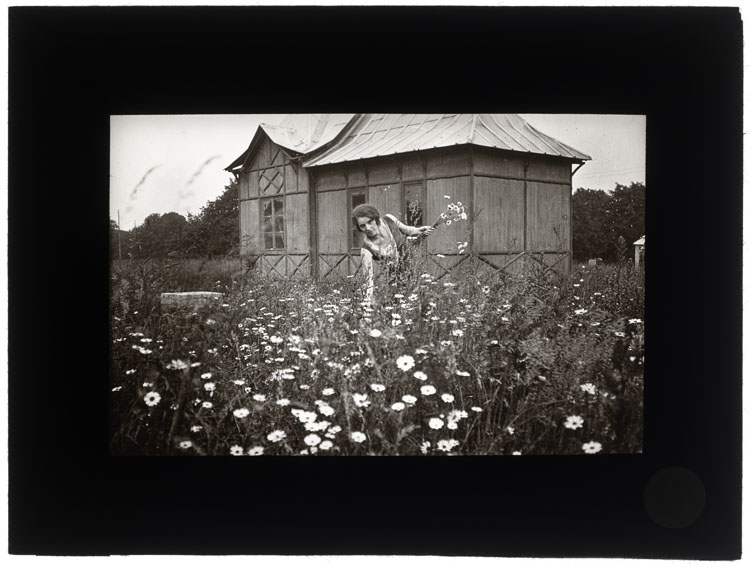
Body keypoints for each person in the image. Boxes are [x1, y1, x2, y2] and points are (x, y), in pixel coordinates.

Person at [352, 203, 435, 301]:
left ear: (375, 218)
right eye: (362, 226)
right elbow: (368, 281)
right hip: (396, 283)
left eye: (370, 221)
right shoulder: (366, 250)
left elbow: (409, 230)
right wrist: (368, 302)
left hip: (417, 271)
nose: (368, 228)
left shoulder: (389, 220)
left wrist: (418, 230)